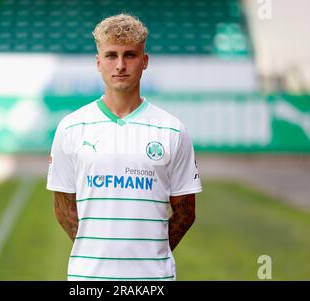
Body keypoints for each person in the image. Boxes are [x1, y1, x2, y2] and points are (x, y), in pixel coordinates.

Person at [46, 13, 202, 281]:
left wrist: (149, 254)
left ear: (144, 61)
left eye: (129, 55)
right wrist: (97, 251)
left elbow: (186, 211)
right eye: (111, 55)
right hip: (89, 280)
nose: (120, 65)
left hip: (153, 280)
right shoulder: (71, 127)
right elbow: (63, 208)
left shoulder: (172, 129)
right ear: (98, 62)